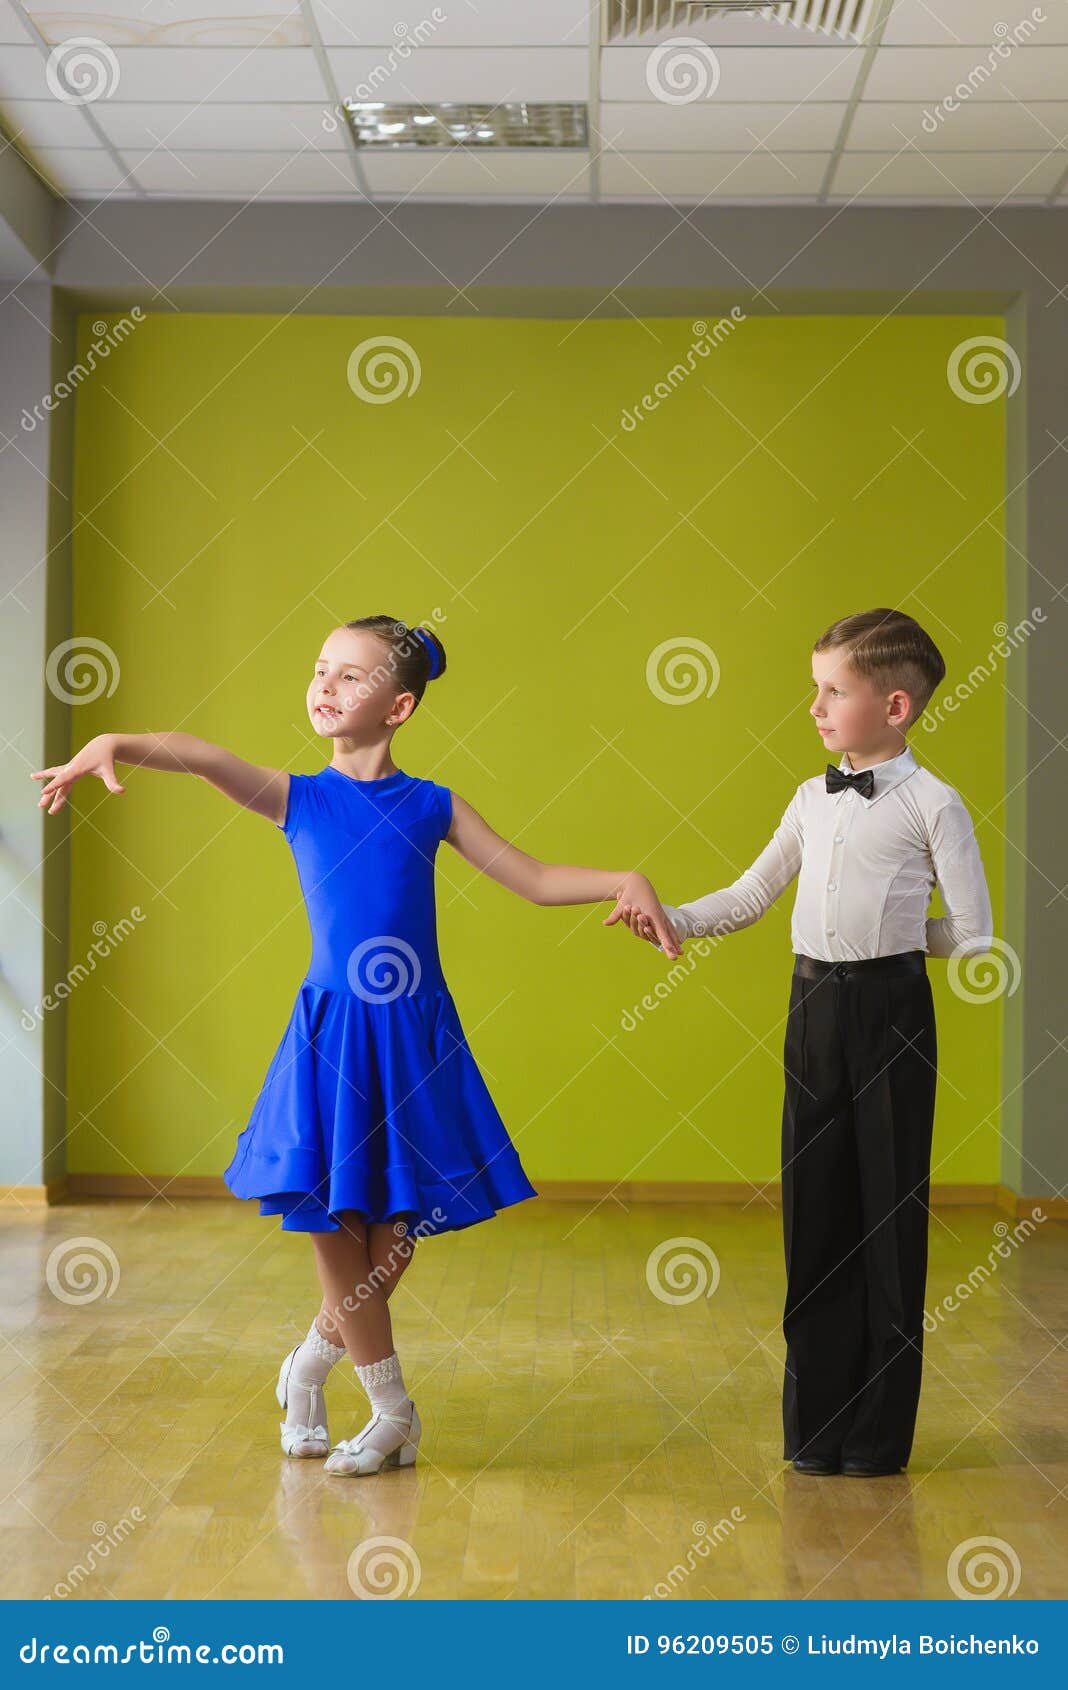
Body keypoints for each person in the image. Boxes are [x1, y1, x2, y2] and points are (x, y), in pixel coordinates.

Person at [31, 614, 680, 1478]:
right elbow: (199, 753)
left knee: (398, 1226)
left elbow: (531, 879)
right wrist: (115, 739)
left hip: (414, 1035)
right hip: (335, 1035)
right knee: (337, 1220)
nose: (325, 685)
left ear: (400, 706)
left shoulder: (433, 805)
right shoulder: (300, 797)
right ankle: (392, 1411)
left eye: (351, 675)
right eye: (320, 669)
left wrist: (623, 878)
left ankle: (307, 1367)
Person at [608, 608, 994, 1478]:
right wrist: (670, 920)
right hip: (811, 1011)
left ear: (895, 705)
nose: (815, 708)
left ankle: (877, 1439)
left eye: (833, 691)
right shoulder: (809, 798)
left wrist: (895, 939)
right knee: (816, 1215)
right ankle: (816, 1431)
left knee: (889, 1219)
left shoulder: (936, 805)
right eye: (815, 689)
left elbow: (971, 934)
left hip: (892, 1014)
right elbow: (749, 897)